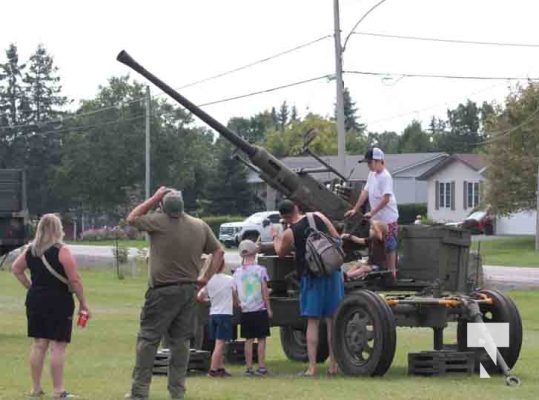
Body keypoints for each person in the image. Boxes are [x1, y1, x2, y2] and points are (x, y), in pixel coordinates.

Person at [125, 186, 224, 400]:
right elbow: (218, 251)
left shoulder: (158, 222)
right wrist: (205, 277)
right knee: (181, 343)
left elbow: (132, 218)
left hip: (161, 291)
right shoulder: (199, 225)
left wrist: (155, 197)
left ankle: (139, 391)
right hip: (189, 290)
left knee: (148, 340)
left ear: (162, 206)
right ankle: (177, 391)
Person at [11, 213, 90, 399]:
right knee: (58, 346)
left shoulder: (31, 250)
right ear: (58, 229)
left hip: (35, 300)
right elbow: (75, 280)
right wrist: (83, 303)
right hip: (59, 301)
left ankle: (36, 388)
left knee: (39, 344)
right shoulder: (62, 251)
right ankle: (58, 390)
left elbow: (16, 268)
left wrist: (30, 286)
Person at [272, 200, 343, 377]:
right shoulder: (319, 216)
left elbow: (280, 252)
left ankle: (312, 367)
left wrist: (275, 236)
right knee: (332, 320)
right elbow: (337, 239)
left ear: (284, 217)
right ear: (297, 207)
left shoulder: (290, 232)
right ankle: (334, 365)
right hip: (332, 273)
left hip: (311, 278)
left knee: (312, 322)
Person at [345, 147, 399, 278]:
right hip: (376, 218)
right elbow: (365, 192)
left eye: (370, 162)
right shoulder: (372, 175)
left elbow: (386, 199)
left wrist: (371, 212)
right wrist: (355, 209)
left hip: (388, 218)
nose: (368, 165)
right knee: (373, 241)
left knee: (389, 245)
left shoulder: (385, 177)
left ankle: (391, 273)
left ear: (378, 161)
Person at [233, 240, 272, 377]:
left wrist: (238, 302)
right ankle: (261, 366)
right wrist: (269, 308)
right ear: (254, 253)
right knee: (261, 339)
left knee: (248, 340)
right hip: (259, 308)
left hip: (245, 310)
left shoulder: (237, 272)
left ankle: (249, 367)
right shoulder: (260, 270)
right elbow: (264, 290)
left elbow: (234, 290)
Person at [197, 254, 235, 378]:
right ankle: (213, 370)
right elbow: (235, 296)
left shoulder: (209, 281)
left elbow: (199, 297)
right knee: (220, 344)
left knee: (218, 343)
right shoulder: (229, 280)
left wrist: (209, 300)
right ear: (223, 265)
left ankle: (220, 367)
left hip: (213, 314)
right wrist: (238, 303)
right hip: (225, 314)